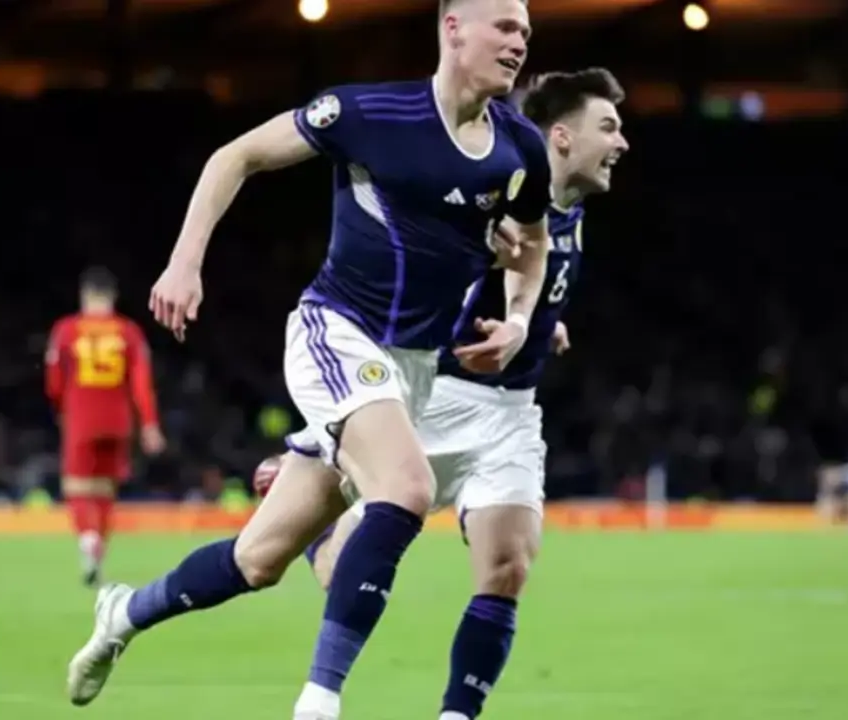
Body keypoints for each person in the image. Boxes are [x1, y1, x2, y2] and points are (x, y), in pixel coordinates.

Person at [66, 1, 551, 717]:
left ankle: (125, 614)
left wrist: (517, 319)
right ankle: (318, 703)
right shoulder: (368, 113)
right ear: (453, 28)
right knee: (407, 488)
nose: (520, 42)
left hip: (411, 370)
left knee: (258, 560)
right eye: (505, 27)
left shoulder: (520, 146)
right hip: (337, 332)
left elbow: (535, 243)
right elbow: (236, 156)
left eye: (526, 32)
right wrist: (184, 263)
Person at [267, 67, 628, 720]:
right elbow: (441, 270)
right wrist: (504, 314)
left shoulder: (569, 211)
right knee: (341, 564)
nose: (622, 142)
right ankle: (319, 490)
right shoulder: (500, 196)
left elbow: (534, 281)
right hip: (443, 393)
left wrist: (541, 323)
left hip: (512, 410)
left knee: (509, 565)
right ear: (560, 137)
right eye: (609, 127)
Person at [44, 266, 165, 587]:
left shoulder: (67, 330)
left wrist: (61, 408)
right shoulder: (129, 332)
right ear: (113, 296)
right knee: (106, 489)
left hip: (81, 417)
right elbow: (141, 383)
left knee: (76, 487)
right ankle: (98, 549)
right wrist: (150, 424)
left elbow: (53, 380)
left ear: (85, 295)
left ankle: (88, 538)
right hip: (118, 420)